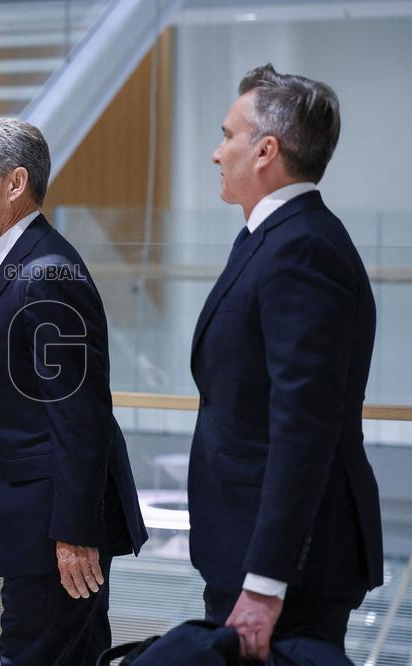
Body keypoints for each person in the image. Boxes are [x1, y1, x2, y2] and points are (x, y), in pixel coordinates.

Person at [0, 117, 147, 666]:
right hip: (32, 532)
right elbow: (16, 395)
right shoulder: (3, 266)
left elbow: (80, 416)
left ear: (15, 185)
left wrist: (74, 534)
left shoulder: (47, 273)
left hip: (55, 538)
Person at [188, 64, 383, 661]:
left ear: (266, 150)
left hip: (288, 568)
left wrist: (265, 582)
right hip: (248, 549)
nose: (217, 153)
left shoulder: (302, 248)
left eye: (227, 135)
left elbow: (304, 426)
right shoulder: (268, 237)